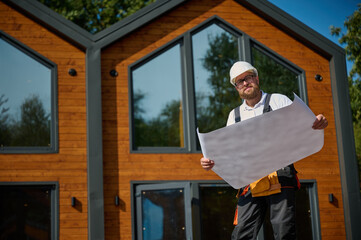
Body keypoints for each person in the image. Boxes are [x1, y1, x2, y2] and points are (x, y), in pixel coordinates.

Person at [200, 61, 328, 240]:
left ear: (256, 78)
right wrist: (211, 162)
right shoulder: (234, 116)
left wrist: (319, 122)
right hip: (250, 181)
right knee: (241, 235)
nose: (245, 83)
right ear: (236, 88)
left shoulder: (279, 100)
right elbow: (229, 152)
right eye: (239, 81)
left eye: (248, 77)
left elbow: (307, 126)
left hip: (280, 177)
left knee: (284, 233)